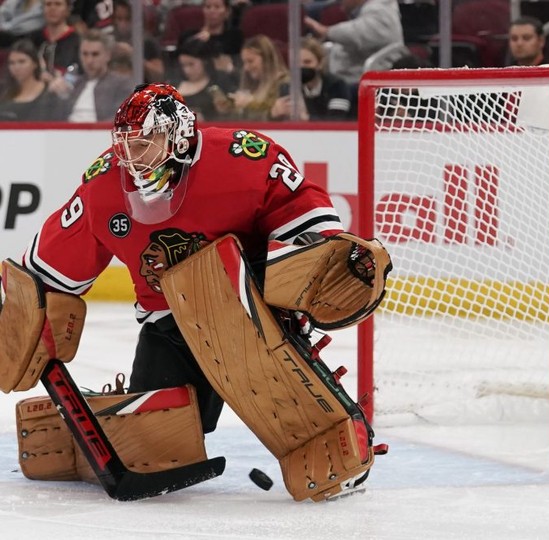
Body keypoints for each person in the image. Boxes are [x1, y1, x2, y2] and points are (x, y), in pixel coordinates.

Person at [3, 82, 386, 501]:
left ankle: (321, 428)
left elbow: (306, 224)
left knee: (214, 288)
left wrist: (325, 256)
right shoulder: (103, 189)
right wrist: (24, 308)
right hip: (165, 319)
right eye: (126, 144)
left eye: (146, 142)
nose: (132, 157)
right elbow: (46, 273)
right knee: (156, 440)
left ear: (179, 136)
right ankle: (90, 431)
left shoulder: (242, 159)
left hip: (249, 303)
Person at [303, 0, 404, 85]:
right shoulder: (370, 9)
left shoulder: (380, 9)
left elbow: (361, 31)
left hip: (367, 77)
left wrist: (326, 31)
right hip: (353, 71)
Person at [51, 29, 134, 121]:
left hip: (100, 132)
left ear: (108, 55)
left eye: (95, 54)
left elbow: (123, 117)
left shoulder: (121, 84)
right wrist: (58, 96)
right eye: (85, 54)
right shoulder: (75, 84)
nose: (89, 61)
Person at [271, 36, 351, 121]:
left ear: (320, 63)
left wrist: (306, 118)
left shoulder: (337, 86)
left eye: (307, 62)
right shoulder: (287, 87)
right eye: (296, 62)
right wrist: (274, 114)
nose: (301, 67)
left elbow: (336, 122)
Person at [216, 34, 288, 121]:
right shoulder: (252, 84)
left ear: (267, 58)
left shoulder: (284, 85)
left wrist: (251, 105)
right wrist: (229, 110)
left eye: (250, 61)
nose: (246, 68)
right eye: (244, 62)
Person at [178, 0, 244, 79]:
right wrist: (195, 42)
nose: (212, 11)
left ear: (227, 12)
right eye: (208, 7)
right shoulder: (188, 36)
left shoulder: (234, 36)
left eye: (217, 7)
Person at [172, 37, 234, 121]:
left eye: (191, 64)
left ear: (204, 61)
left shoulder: (219, 81)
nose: (187, 70)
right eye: (183, 65)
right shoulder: (173, 85)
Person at [0, 38, 60, 120]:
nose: (16, 67)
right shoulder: (3, 91)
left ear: (35, 63)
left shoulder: (50, 92)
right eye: (12, 63)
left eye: (22, 61)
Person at [27, 0, 81, 83]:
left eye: (58, 4)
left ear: (68, 10)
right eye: (48, 4)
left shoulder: (78, 42)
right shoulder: (32, 39)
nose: (52, 8)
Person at [112, 0, 165, 83]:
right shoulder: (110, 40)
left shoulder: (147, 42)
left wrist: (132, 55)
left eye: (128, 19)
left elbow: (159, 75)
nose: (123, 24)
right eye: (119, 19)